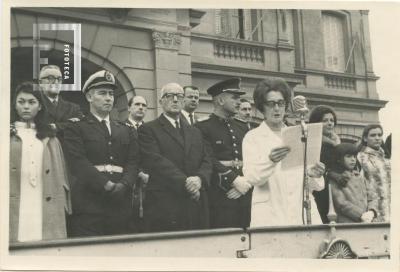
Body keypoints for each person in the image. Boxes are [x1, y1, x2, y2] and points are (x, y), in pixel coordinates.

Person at [63, 70, 139, 237]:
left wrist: (125, 185)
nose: (108, 98)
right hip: (89, 204)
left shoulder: (126, 129)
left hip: (120, 204)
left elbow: (133, 161)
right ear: (90, 97)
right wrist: (106, 184)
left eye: (111, 94)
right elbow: (77, 162)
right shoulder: (76, 127)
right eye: (102, 93)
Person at [242, 78, 325, 227]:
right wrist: (270, 161)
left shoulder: (300, 134)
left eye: (281, 103)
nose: (276, 108)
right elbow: (251, 177)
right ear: (262, 107)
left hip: (301, 212)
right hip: (270, 214)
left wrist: (315, 174)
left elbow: (314, 186)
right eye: (271, 104)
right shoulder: (252, 137)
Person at [139, 83, 212, 232]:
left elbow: (206, 159)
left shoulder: (195, 132)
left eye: (179, 96)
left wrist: (199, 179)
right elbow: (155, 161)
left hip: (195, 203)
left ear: (183, 101)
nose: (175, 100)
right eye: (169, 96)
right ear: (161, 102)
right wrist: (187, 183)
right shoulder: (148, 129)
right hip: (166, 203)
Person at [9, 82, 71, 242]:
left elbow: (60, 175)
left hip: (43, 196)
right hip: (16, 196)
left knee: (42, 241)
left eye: (31, 102)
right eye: (21, 102)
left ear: (40, 106)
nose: (26, 107)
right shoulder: (7, 134)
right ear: (15, 105)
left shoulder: (50, 137)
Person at [196, 78, 253, 228]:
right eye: (234, 98)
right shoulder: (202, 127)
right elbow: (207, 158)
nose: (239, 102)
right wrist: (234, 180)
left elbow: (252, 158)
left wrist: (245, 184)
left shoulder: (242, 128)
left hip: (246, 193)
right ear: (221, 100)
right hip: (219, 196)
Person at [328, 143, 378, 223]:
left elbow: (372, 197)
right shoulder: (335, 179)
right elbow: (341, 203)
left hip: (368, 221)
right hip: (347, 224)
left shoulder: (360, 177)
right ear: (339, 159)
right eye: (348, 156)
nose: (353, 159)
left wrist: (371, 212)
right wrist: (361, 215)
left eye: (354, 156)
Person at [308, 105, 341, 224]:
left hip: (336, 189)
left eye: (332, 120)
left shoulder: (337, 142)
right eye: (325, 120)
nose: (329, 123)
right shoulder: (312, 142)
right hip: (320, 188)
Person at [125, 95, 149, 232]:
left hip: (148, 182)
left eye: (144, 105)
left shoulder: (150, 129)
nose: (141, 107)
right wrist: (138, 172)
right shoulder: (121, 127)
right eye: (137, 104)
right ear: (129, 108)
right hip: (129, 181)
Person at [357, 124, 391, 222]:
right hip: (373, 210)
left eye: (379, 135)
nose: (377, 138)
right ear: (365, 138)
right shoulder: (360, 158)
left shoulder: (387, 160)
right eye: (373, 135)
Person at [38, 65, 83, 137]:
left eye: (59, 79)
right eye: (50, 78)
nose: (56, 82)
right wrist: (68, 124)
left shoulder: (73, 108)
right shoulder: (35, 105)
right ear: (40, 83)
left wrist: (56, 126)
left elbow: (82, 126)